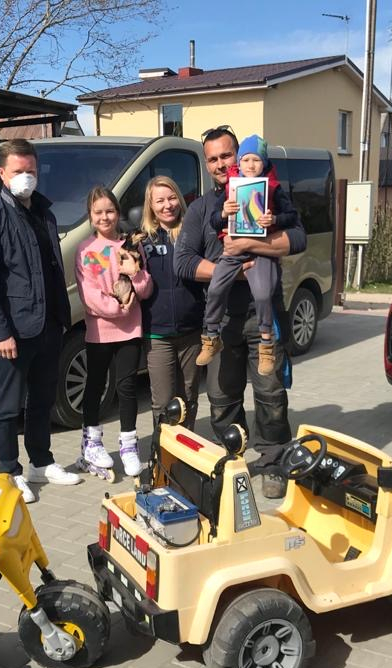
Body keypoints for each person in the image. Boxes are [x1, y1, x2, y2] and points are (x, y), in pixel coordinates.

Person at [175, 127, 307, 499]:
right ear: (207, 164)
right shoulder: (202, 208)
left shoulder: (271, 193)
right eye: (213, 159)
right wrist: (227, 270)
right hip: (222, 321)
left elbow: (298, 238)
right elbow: (183, 262)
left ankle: (273, 461)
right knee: (221, 397)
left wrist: (249, 244)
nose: (221, 164)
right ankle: (231, 459)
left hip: (263, 313)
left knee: (270, 393)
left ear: (243, 156)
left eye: (226, 155)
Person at [0, 138, 80, 503]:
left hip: (47, 324)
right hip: (13, 331)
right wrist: (1, 331)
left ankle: (41, 462)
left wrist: (60, 318)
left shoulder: (44, 212)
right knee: (8, 406)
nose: (26, 177)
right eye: (18, 171)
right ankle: (9, 472)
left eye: (31, 170)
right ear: (2, 174)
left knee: (42, 400)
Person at [199, 134, 299, 375]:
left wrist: (274, 220)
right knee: (215, 288)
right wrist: (223, 213)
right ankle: (211, 336)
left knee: (263, 293)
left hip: (261, 257)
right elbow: (214, 222)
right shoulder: (231, 189)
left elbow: (293, 221)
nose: (251, 165)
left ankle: (267, 344)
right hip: (233, 258)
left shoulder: (273, 187)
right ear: (240, 163)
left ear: (264, 162)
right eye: (246, 160)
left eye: (256, 160)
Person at [75, 187, 152, 477]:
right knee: (95, 384)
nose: (104, 217)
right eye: (98, 212)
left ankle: (129, 446)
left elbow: (145, 287)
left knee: (127, 387)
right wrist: (119, 308)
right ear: (90, 216)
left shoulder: (131, 245)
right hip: (100, 330)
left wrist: (136, 276)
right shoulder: (85, 250)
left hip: (130, 330)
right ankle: (91, 442)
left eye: (110, 211)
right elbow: (89, 295)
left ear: (118, 213)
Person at [135, 175, 204, 430]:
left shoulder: (192, 234)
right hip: (157, 334)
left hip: (192, 331)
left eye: (172, 198)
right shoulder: (141, 240)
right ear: (151, 206)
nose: (167, 205)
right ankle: (162, 450)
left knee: (189, 397)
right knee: (163, 403)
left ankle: (187, 446)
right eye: (160, 201)